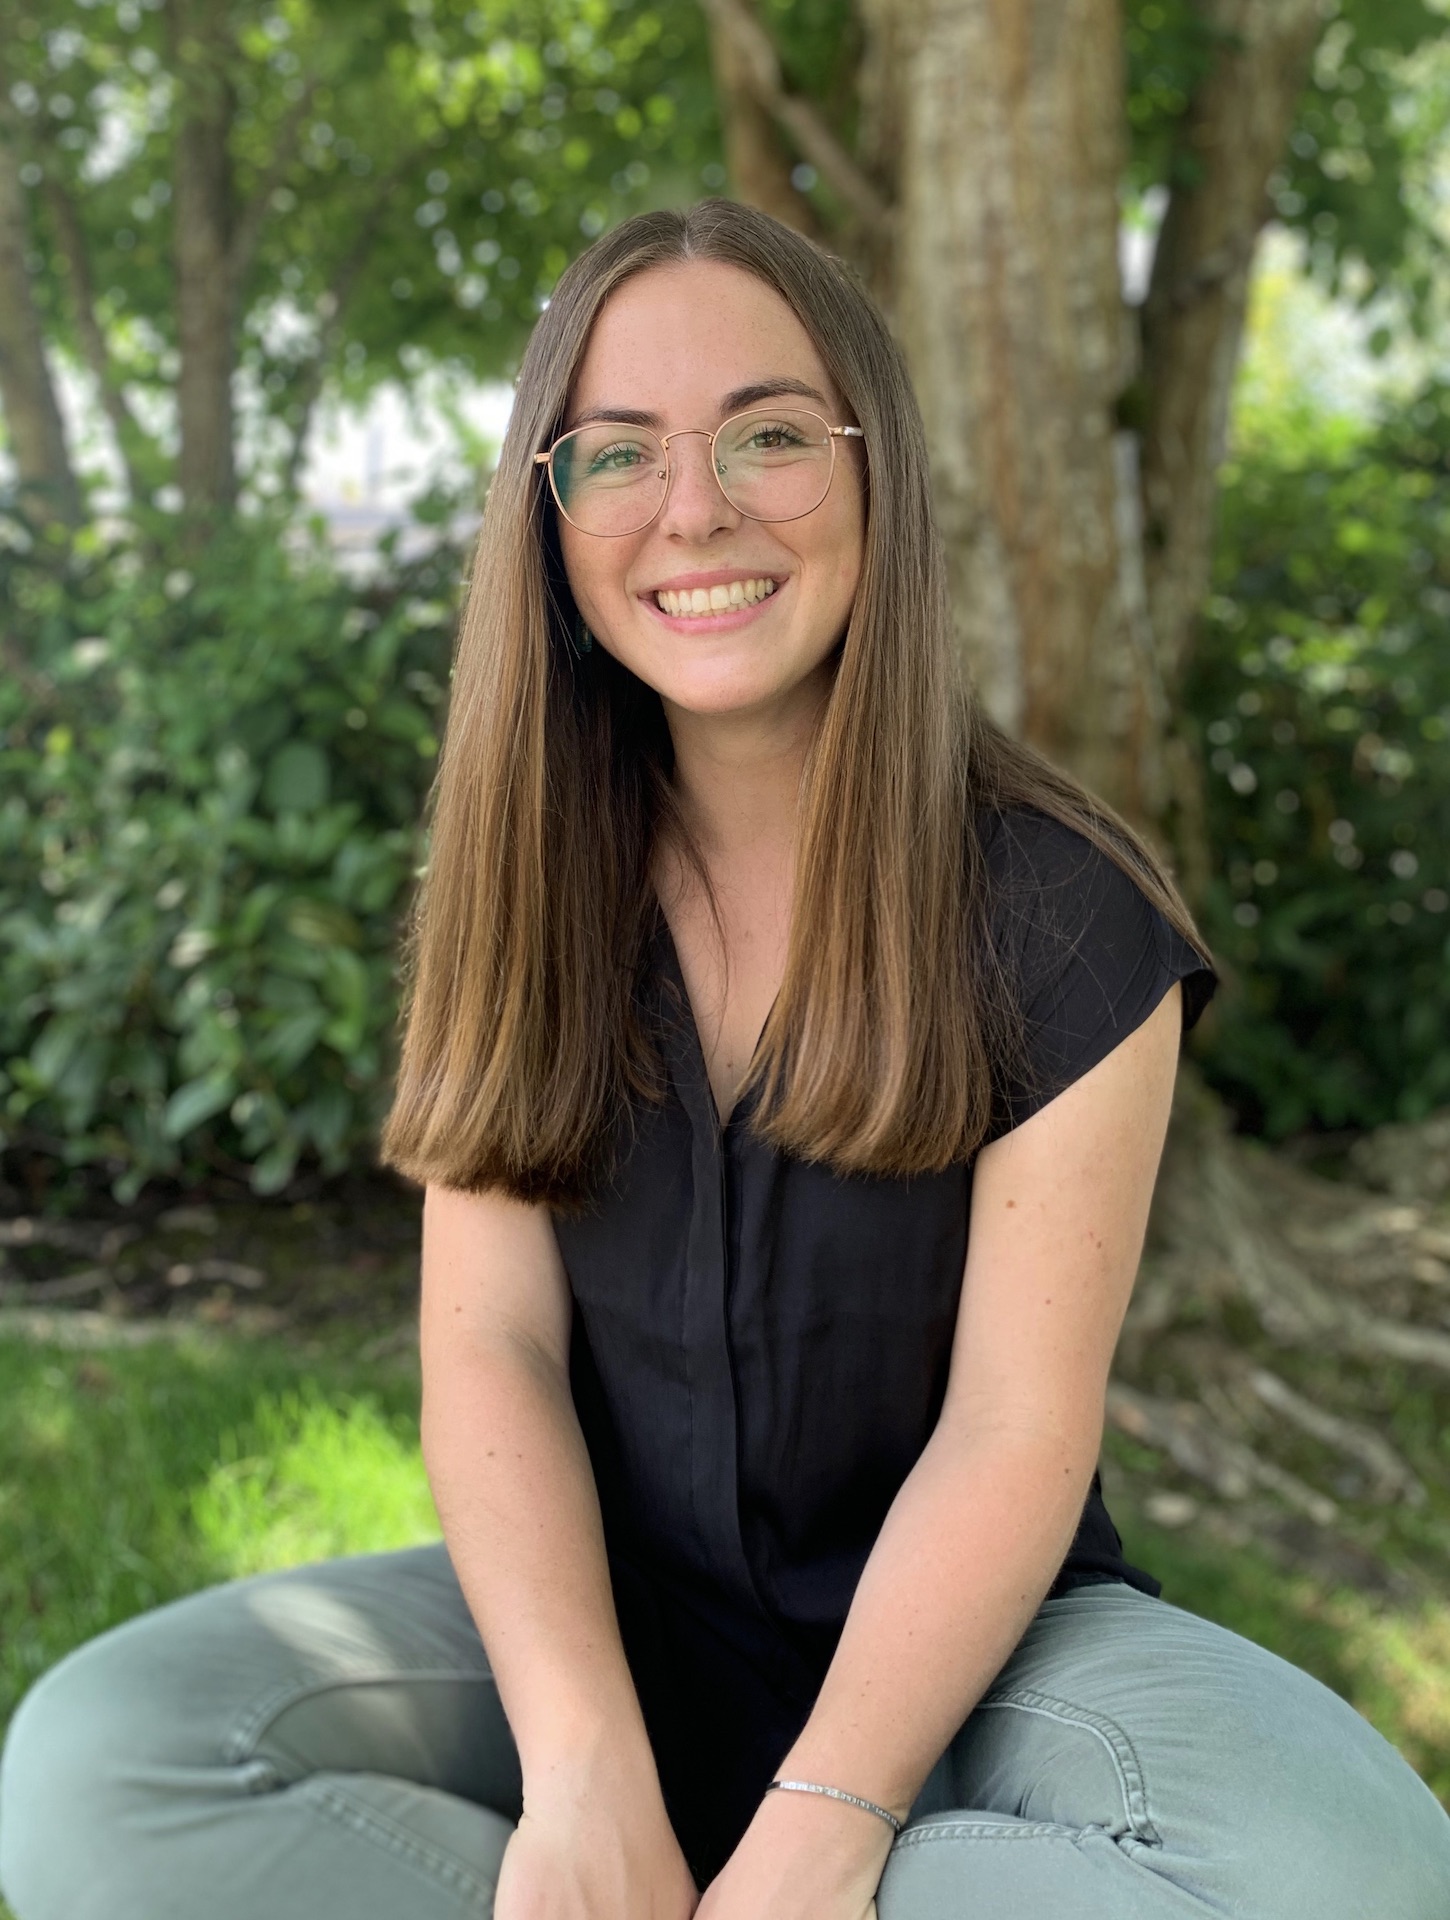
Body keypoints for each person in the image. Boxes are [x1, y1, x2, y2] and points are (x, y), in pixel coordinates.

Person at [3, 198, 1448, 1920]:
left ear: (874, 472)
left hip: (971, 1656)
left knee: (1348, 1870)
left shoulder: (1063, 916)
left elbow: (1008, 1428)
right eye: (616, 454)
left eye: (766, 433)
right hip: (594, 1620)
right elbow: (492, 1348)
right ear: (548, 516)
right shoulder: (518, 883)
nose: (693, 509)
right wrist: (583, 1766)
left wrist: (828, 1821)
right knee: (100, 1763)